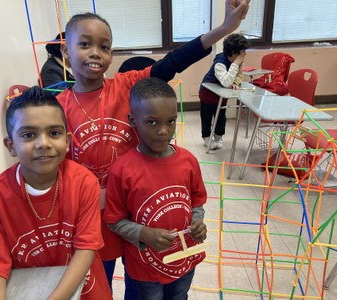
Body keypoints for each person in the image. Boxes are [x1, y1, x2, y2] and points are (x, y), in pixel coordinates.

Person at [56, 1, 249, 298]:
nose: (95, 53)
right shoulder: (58, 109)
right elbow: (53, 171)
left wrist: (222, 30)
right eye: (84, 44)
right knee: (99, 287)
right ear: (66, 51)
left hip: (143, 214)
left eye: (104, 47)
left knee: (143, 283)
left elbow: (172, 62)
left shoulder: (126, 86)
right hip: (96, 219)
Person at [0, 86, 112, 300]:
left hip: (86, 291)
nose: (43, 144)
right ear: (10, 146)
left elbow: (86, 248)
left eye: (54, 133)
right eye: (28, 135)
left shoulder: (84, 182)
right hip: (27, 291)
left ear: (67, 141)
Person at [104, 77, 208, 300]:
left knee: (180, 295)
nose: (163, 131)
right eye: (152, 122)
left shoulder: (189, 161)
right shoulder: (122, 170)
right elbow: (114, 220)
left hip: (184, 259)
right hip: (146, 268)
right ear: (133, 121)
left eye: (170, 121)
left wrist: (197, 222)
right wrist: (143, 233)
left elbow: (197, 201)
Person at [199, 33, 250, 150]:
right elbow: (226, 82)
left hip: (222, 94)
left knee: (221, 117)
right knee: (207, 117)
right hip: (208, 93)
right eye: (243, 52)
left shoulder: (239, 62)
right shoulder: (220, 62)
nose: (245, 54)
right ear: (234, 53)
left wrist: (236, 82)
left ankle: (218, 137)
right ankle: (207, 138)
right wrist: (236, 64)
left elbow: (239, 75)